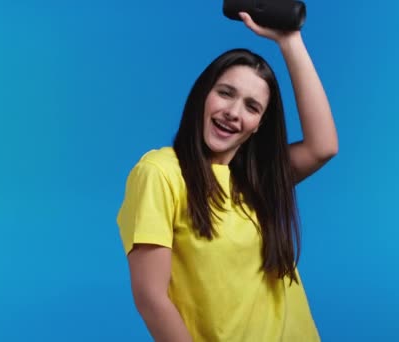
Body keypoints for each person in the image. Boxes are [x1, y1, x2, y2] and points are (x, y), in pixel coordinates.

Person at [117, 12, 338, 342]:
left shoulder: (258, 180)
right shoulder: (161, 173)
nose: (234, 113)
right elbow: (151, 299)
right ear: (204, 94)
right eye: (225, 93)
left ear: (259, 124)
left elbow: (323, 146)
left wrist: (289, 41)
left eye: (252, 107)